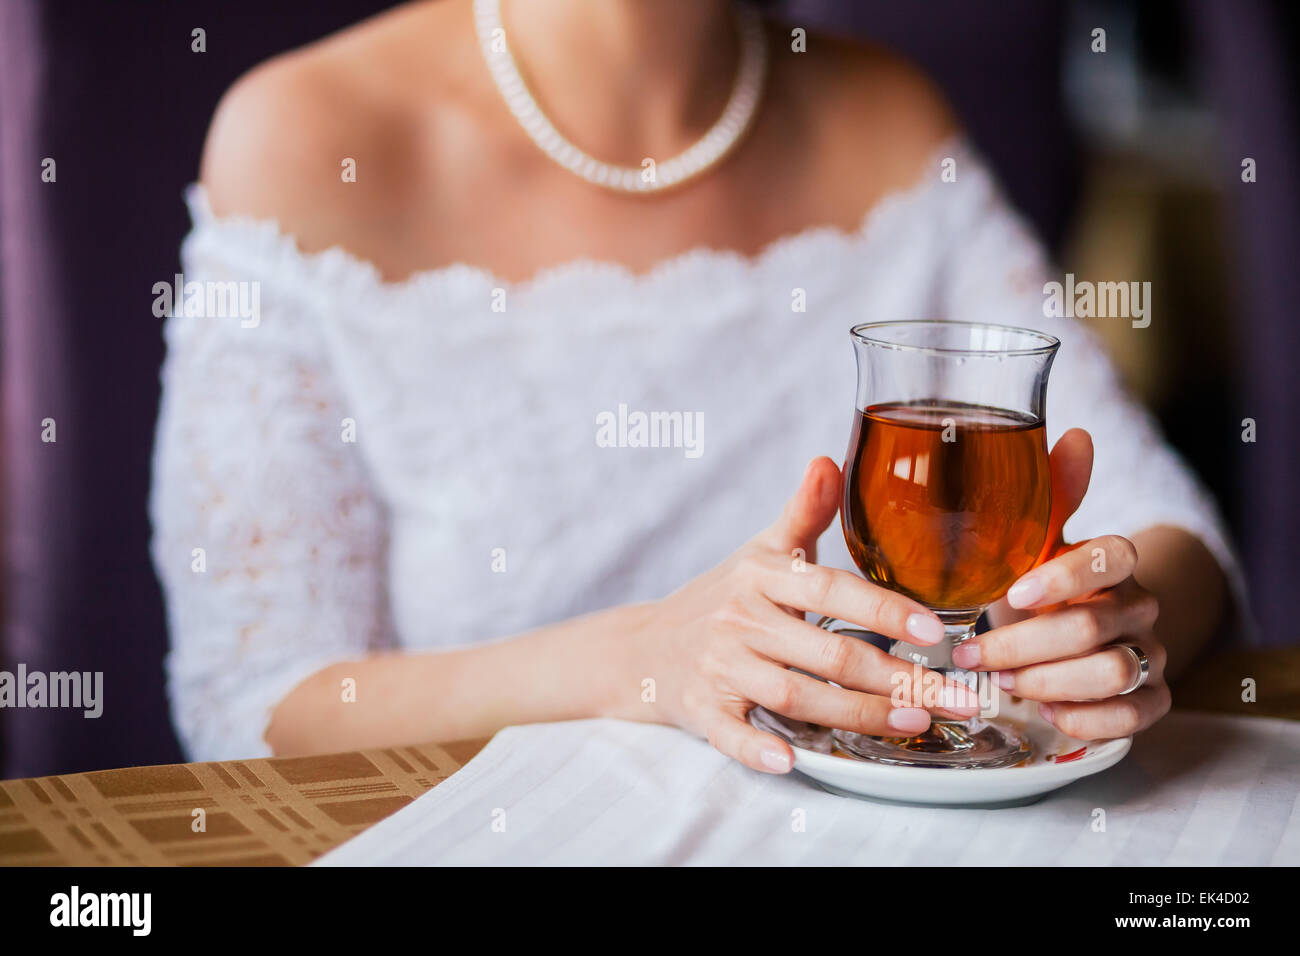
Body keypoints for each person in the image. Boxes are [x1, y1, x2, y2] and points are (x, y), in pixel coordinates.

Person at [151, 0, 1236, 770]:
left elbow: (1169, 529)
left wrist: (1102, 634)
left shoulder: (886, 115)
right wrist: (645, 658)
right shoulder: (306, 140)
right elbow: (255, 704)